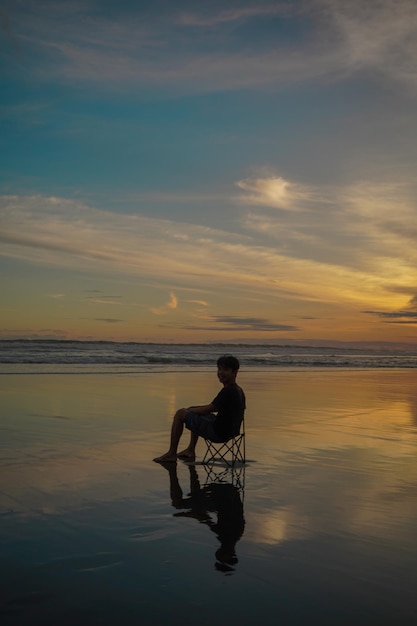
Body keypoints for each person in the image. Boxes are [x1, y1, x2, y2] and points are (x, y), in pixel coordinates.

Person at [153, 355, 246, 463]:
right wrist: (193, 409)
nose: (220, 372)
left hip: (218, 433)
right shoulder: (238, 390)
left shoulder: (228, 391)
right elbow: (217, 408)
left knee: (180, 414)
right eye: (219, 369)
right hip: (231, 432)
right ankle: (190, 450)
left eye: (225, 369)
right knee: (196, 412)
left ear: (234, 372)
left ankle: (171, 453)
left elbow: (209, 408)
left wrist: (188, 411)